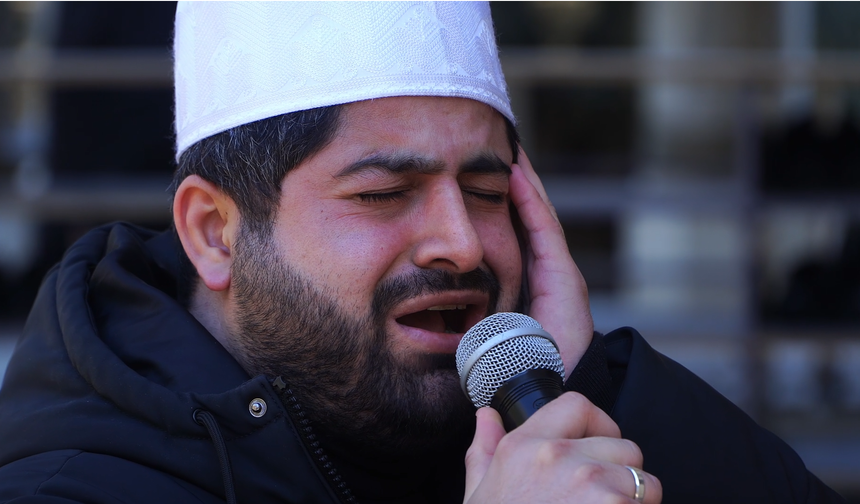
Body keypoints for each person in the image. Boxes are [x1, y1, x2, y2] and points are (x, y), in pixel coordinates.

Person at [0, 3, 845, 504]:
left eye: (485, 191)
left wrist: (582, 386)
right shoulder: (77, 486)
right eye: (382, 194)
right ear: (216, 232)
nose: (462, 243)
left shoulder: (520, 408)